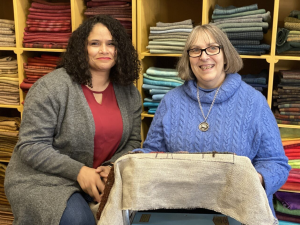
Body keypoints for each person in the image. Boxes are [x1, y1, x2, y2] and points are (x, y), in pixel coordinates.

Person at [134, 24, 290, 216]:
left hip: (238, 210)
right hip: (179, 210)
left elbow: (276, 163)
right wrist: (140, 159)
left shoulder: (254, 102)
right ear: (188, 58)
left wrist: (254, 179)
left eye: (212, 48)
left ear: (225, 55)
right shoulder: (171, 101)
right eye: (195, 50)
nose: (204, 56)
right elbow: (151, 152)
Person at [4, 15, 142, 225]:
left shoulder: (130, 93)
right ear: (81, 48)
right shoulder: (51, 88)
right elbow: (31, 145)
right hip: (44, 178)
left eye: (111, 44)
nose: (104, 50)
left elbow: (133, 143)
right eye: (95, 43)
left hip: (97, 178)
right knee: (78, 220)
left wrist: (112, 166)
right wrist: (78, 171)